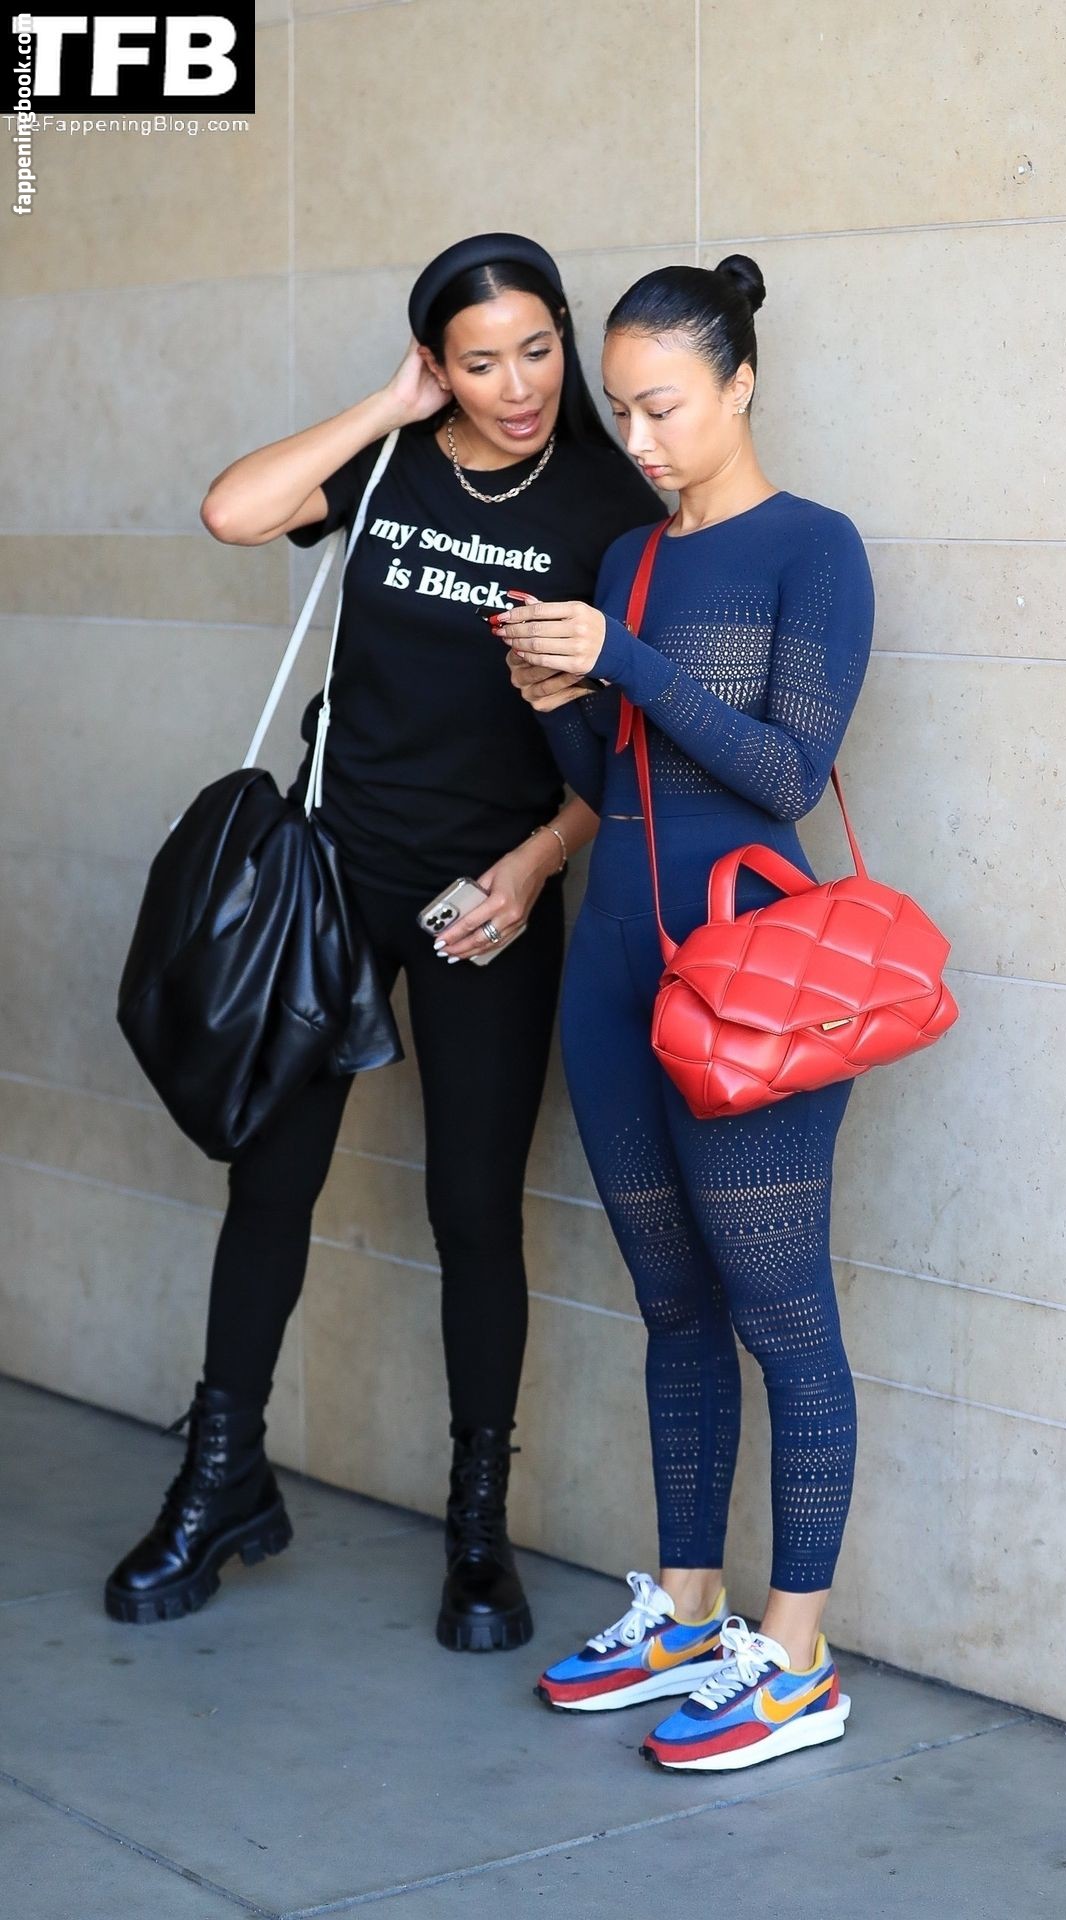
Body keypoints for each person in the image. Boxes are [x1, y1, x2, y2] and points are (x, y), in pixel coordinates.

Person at [104, 233, 659, 1652]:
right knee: (270, 1184)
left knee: (472, 1210)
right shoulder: (395, 459)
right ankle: (221, 1478)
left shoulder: (610, 505)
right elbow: (233, 512)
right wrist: (386, 408)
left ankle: (478, 1530)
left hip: (488, 897)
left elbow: (627, 747)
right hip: (334, 880)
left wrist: (536, 867)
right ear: (437, 365)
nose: (519, 386)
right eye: (480, 362)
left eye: (538, 350)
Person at [501, 254, 874, 1768]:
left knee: (785, 1316)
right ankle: (689, 1607)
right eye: (621, 410)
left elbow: (785, 771)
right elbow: (622, 783)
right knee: (671, 1306)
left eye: (663, 406)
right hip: (612, 969)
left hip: (751, 984)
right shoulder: (627, 561)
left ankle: (800, 1655)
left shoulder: (815, 549)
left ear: (741, 384)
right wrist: (561, 705)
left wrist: (624, 661)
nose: (639, 439)